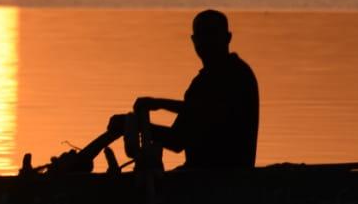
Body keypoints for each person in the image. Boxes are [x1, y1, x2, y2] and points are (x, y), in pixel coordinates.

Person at [110, 9, 258, 168]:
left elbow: (206, 112)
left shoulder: (236, 75)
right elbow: (177, 139)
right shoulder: (200, 84)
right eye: (201, 35)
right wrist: (137, 124)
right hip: (198, 173)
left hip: (225, 175)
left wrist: (153, 109)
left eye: (212, 34)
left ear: (227, 38)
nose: (206, 41)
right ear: (194, 40)